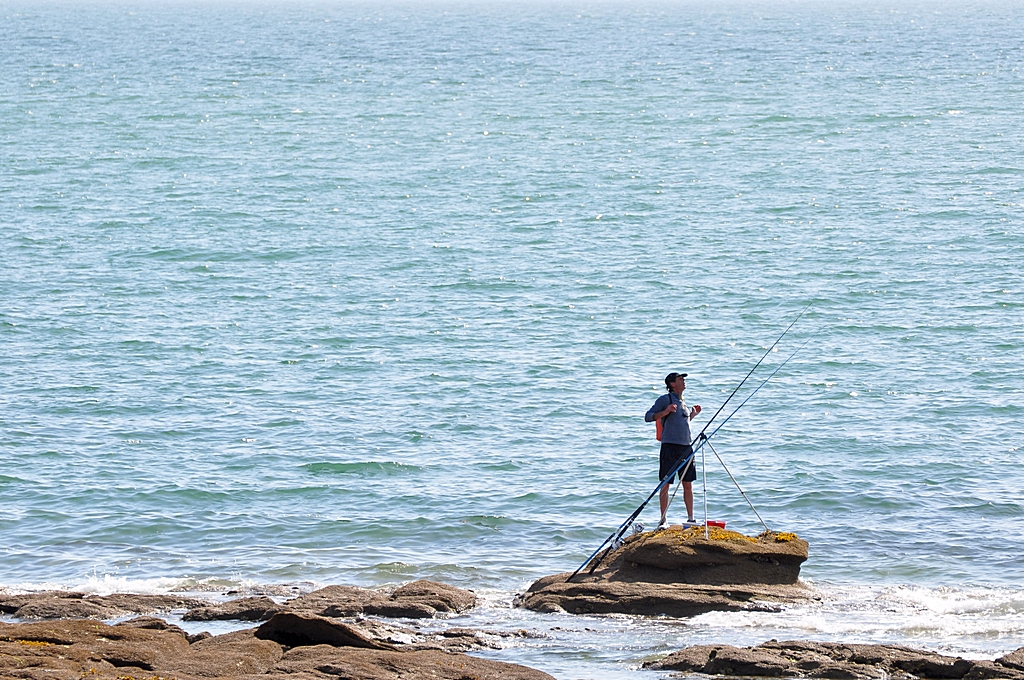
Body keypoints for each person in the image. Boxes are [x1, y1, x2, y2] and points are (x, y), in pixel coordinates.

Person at [645, 372, 701, 529]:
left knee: (687, 483)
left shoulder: (682, 401)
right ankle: (663, 520)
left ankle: (690, 519)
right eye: (680, 379)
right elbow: (648, 416)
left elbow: (681, 424)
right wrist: (665, 411)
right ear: (672, 384)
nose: (683, 381)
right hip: (669, 446)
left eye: (683, 379)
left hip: (686, 447)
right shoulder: (665, 399)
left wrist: (692, 415)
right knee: (665, 483)